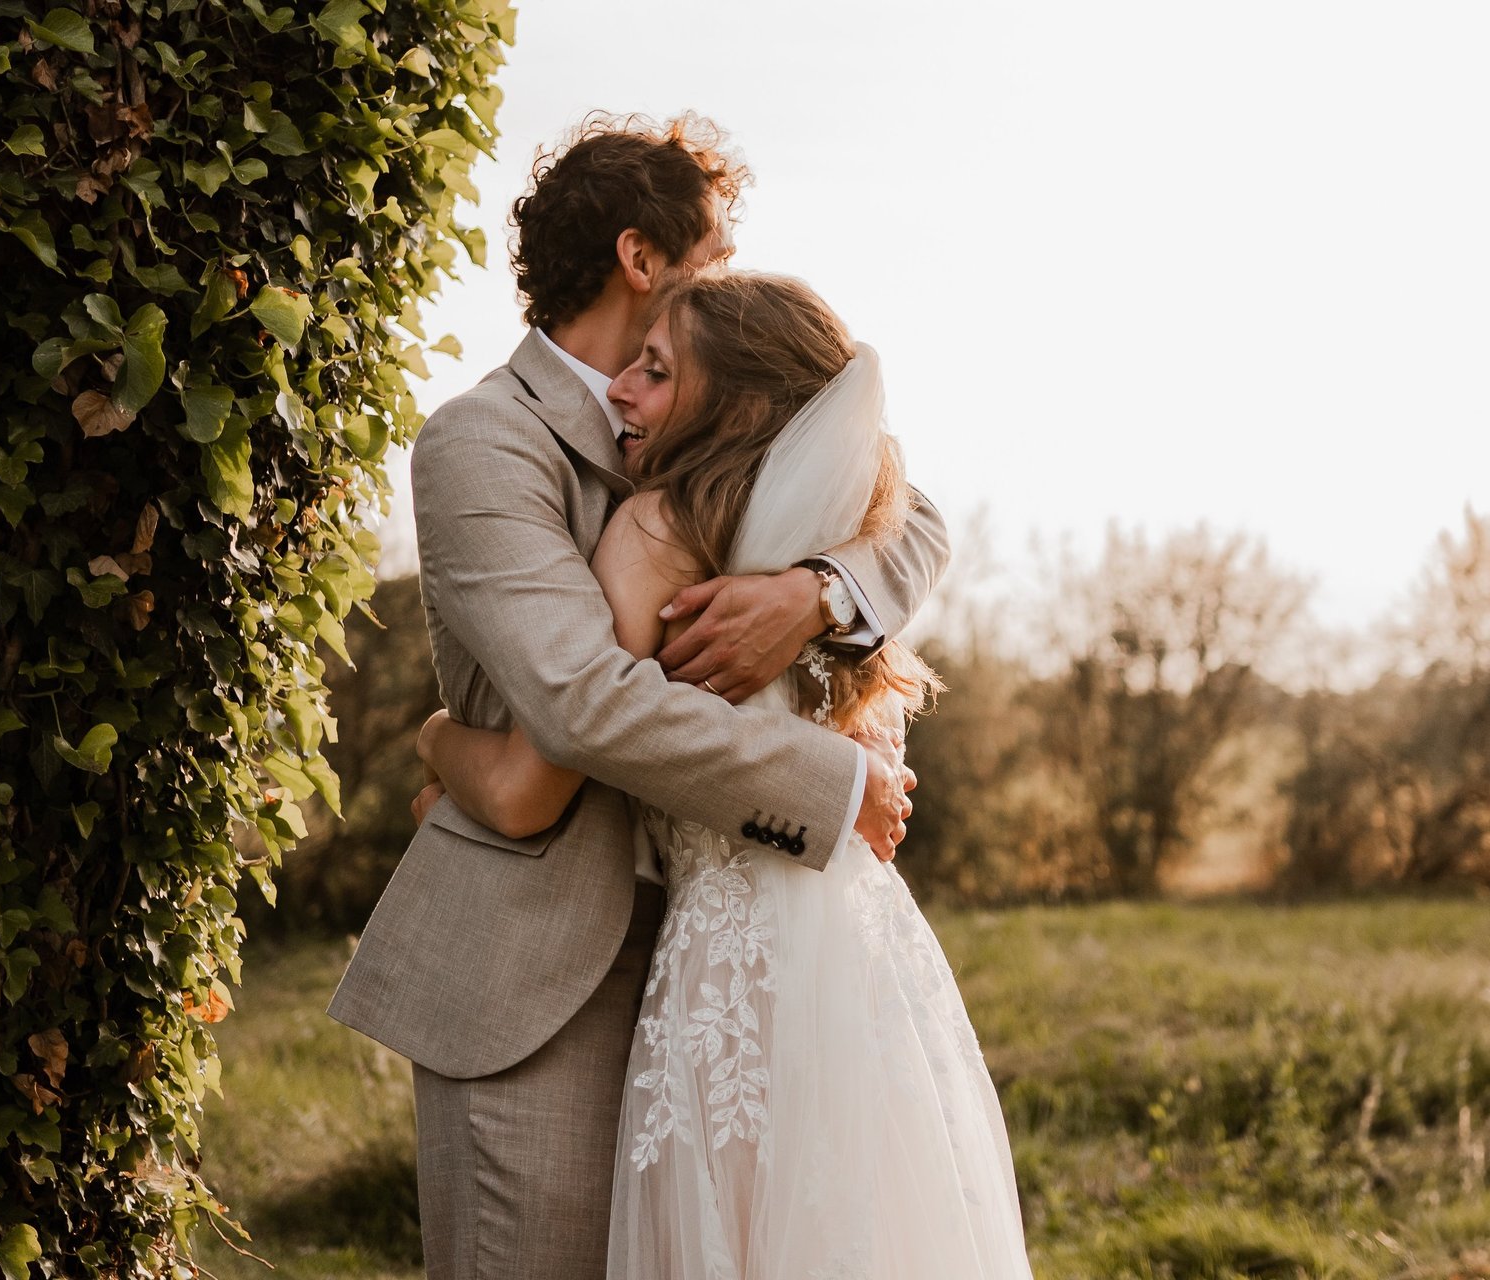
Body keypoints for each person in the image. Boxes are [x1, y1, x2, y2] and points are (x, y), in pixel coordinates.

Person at [327, 114, 950, 1280]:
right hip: (540, 977)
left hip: (729, 970)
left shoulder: (744, 396)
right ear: (642, 255)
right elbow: (583, 703)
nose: (735, 272)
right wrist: (830, 784)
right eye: (715, 248)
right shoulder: (482, 442)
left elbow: (915, 518)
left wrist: (815, 594)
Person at [418, 271, 1033, 1278]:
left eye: (657, 375)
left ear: (735, 406)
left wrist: (439, 739)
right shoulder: (846, 521)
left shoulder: (660, 532)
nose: (624, 390)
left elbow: (535, 781)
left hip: (730, 972)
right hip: (857, 958)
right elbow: (915, 517)